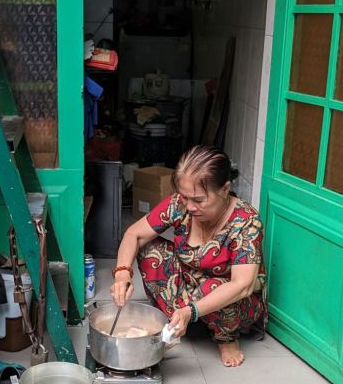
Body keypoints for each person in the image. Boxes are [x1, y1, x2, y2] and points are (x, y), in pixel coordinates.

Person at [111, 146, 267, 368]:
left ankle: (226, 337)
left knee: (214, 288)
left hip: (230, 300)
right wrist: (122, 274)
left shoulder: (246, 221)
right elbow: (134, 234)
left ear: (225, 189)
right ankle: (178, 319)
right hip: (188, 285)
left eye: (199, 200)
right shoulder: (179, 204)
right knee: (150, 249)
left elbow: (242, 286)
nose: (190, 206)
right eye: (184, 197)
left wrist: (191, 310)